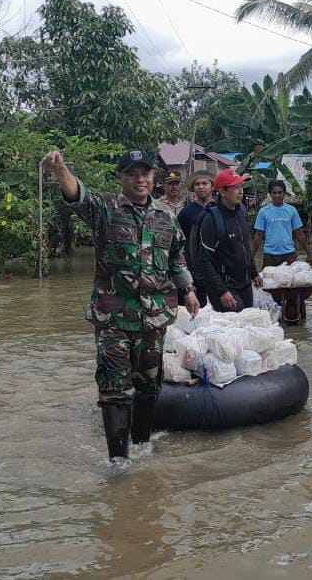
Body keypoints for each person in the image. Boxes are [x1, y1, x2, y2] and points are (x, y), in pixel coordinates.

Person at [41, 148, 200, 460]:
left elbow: (176, 255)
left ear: (153, 177)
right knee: (114, 388)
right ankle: (118, 460)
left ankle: (142, 446)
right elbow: (77, 194)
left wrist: (189, 289)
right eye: (132, 173)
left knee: (149, 386)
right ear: (122, 178)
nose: (139, 179)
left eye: (145, 173)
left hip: (154, 319)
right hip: (114, 318)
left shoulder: (166, 216)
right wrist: (60, 169)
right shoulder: (106, 208)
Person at [192, 168, 263, 312]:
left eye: (241, 186)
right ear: (223, 192)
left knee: (248, 324)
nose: (240, 191)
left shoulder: (241, 211)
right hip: (225, 288)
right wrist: (222, 291)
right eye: (235, 187)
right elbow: (205, 260)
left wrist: (253, 272)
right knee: (233, 329)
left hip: (244, 284)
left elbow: (245, 246)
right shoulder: (211, 219)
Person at [252, 179, 312, 267]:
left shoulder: (292, 210)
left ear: (284, 193)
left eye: (280, 192)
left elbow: (299, 233)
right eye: (274, 193)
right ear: (270, 194)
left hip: (289, 255)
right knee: (268, 280)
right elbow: (259, 235)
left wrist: (309, 254)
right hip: (270, 256)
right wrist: (251, 257)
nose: (277, 195)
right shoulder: (263, 212)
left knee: (291, 280)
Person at [177, 170, 215, 306]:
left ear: (212, 186)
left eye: (204, 183)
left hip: (217, 267)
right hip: (194, 267)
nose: (201, 187)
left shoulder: (218, 209)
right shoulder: (186, 213)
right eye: (197, 184)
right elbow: (179, 242)